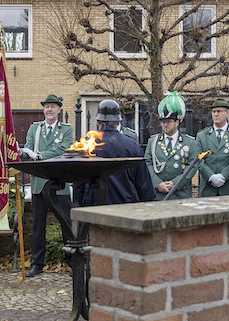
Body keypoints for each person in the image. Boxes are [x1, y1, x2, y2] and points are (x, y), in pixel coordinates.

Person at [19, 94, 74, 278]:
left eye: (53, 106)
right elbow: (28, 148)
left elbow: (63, 149)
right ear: (43, 110)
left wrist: (40, 155)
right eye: (47, 106)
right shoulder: (35, 129)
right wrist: (21, 152)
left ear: (59, 110)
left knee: (66, 223)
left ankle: (72, 261)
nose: (49, 109)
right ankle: (37, 263)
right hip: (38, 184)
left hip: (60, 184)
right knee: (38, 226)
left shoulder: (66, 129)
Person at [75, 99, 155, 205]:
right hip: (125, 206)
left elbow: (79, 184)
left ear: (98, 121)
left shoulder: (86, 145)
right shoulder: (131, 145)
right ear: (118, 122)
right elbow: (143, 183)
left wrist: (79, 207)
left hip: (93, 209)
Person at [144, 92, 197, 200]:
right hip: (157, 195)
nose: (165, 125)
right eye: (163, 122)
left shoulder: (190, 142)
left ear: (177, 122)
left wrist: (175, 183)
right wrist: (158, 183)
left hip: (179, 194)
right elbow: (147, 163)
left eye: (168, 121)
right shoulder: (153, 141)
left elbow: (192, 166)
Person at [196, 98, 229, 197]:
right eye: (213, 111)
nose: (215, 114)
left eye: (219, 111)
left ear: (227, 113)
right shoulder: (202, 135)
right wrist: (211, 176)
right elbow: (198, 159)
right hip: (207, 189)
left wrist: (224, 176)